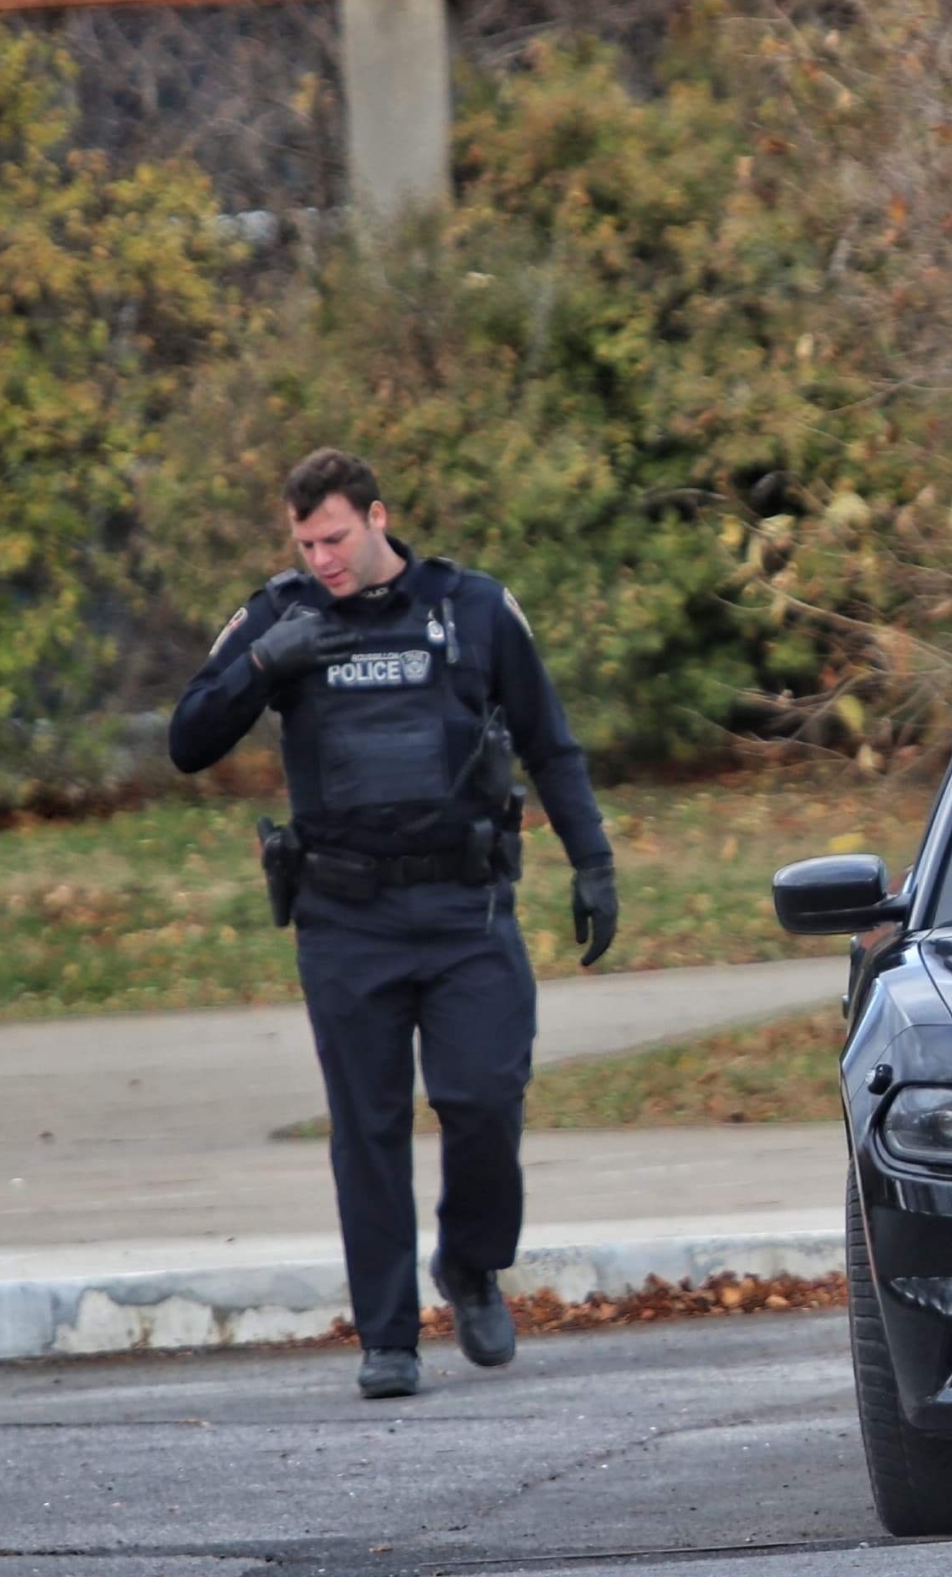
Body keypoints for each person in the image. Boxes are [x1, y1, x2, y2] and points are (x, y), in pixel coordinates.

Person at [169, 449, 620, 1397]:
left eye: (334, 536)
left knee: (486, 1098)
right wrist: (260, 663)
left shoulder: (476, 608)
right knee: (368, 1126)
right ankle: (388, 1336)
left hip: (465, 907)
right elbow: (188, 738)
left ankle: (470, 1262)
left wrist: (594, 863)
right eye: (305, 542)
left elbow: (550, 742)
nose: (322, 556)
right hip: (344, 915)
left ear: (377, 517)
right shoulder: (279, 613)